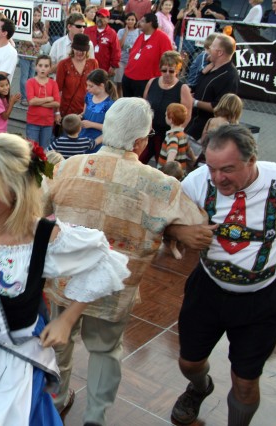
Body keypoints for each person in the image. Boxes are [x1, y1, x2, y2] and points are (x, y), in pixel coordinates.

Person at [0, 133, 130, 425]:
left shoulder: (42, 236)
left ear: (15, 190)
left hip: (13, 357)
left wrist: (67, 319)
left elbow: (103, 262)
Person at [43, 97, 206, 424]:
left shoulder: (65, 167)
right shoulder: (163, 186)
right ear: (141, 141)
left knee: (59, 341)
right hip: (114, 287)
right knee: (105, 351)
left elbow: (40, 212)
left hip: (65, 281)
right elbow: (197, 227)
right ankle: (95, 417)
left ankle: (57, 398)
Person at [168, 125, 276, 426]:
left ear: (252, 159)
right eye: (212, 168)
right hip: (208, 289)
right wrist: (181, 231)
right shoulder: (196, 181)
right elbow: (162, 220)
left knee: (245, 382)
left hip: (263, 298)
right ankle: (199, 387)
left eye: (228, 169)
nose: (217, 178)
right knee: (189, 362)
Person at [141, 50, 192, 164]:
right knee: (139, 160)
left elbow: (187, 114)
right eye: (164, 70)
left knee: (163, 166)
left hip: (167, 134)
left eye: (171, 71)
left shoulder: (182, 88)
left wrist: (176, 133)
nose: (167, 74)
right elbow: (144, 105)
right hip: (150, 131)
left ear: (177, 70)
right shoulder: (152, 82)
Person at [185, 34, 239, 141]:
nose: (209, 49)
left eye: (212, 46)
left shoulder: (230, 76)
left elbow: (220, 107)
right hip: (193, 120)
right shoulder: (209, 66)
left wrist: (195, 102)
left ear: (220, 52)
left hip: (208, 128)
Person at [122, 13, 173, 98]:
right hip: (129, 76)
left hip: (145, 80)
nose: (138, 23)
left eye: (142, 21)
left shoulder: (162, 38)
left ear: (150, 23)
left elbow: (168, 60)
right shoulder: (141, 36)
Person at [56, 33, 98, 119]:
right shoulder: (63, 64)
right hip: (67, 111)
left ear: (87, 50)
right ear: (72, 48)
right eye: (77, 49)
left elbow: (97, 88)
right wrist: (57, 112)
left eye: (82, 50)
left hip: (87, 111)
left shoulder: (93, 63)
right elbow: (58, 90)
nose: (79, 52)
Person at [25, 55, 60, 149]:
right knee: (32, 150)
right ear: (36, 67)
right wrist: (48, 99)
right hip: (33, 121)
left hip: (48, 123)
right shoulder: (30, 82)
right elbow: (31, 101)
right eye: (40, 65)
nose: (43, 69)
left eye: (46, 66)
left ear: (50, 68)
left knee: (44, 150)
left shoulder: (53, 83)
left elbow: (57, 103)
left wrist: (38, 101)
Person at [79, 69, 117, 151]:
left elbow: (111, 129)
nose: (87, 88)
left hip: (97, 142)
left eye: (91, 86)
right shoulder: (89, 96)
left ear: (101, 86)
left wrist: (92, 124)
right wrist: (79, 116)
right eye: (87, 85)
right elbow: (84, 113)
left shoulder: (110, 104)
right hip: (83, 138)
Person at [18, 7, 49, 106]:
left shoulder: (41, 25)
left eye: (39, 15)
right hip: (25, 54)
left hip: (35, 55)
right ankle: (24, 97)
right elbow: (25, 40)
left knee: (31, 77)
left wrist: (33, 40)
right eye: (35, 15)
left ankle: (30, 96)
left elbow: (45, 39)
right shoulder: (26, 25)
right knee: (24, 77)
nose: (36, 17)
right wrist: (35, 41)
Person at [157, 103, 193, 174]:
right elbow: (188, 150)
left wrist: (167, 170)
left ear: (171, 119)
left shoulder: (172, 136)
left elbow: (172, 152)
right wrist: (194, 159)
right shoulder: (182, 134)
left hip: (168, 174)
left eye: (165, 115)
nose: (165, 117)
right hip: (180, 172)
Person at [84, 8, 121, 75]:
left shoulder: (112, 33)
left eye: (102, 17)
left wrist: (113, 66)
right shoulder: (87, 30)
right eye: (98, 16)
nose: (99, 19)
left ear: (108, 19)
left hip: (104, 68)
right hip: (88, 67)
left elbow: (116, 51)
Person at [116, 12, 140, 97]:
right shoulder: (121, 31)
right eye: (128, 19)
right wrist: (125, 33)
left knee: (130, 82)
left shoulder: (139, 32)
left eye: (132, 19)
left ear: (135, 21)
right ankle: (119, 99)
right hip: (122, 60)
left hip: (133, 61)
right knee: (119, 82)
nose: (130, 21)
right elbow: (119, 45)